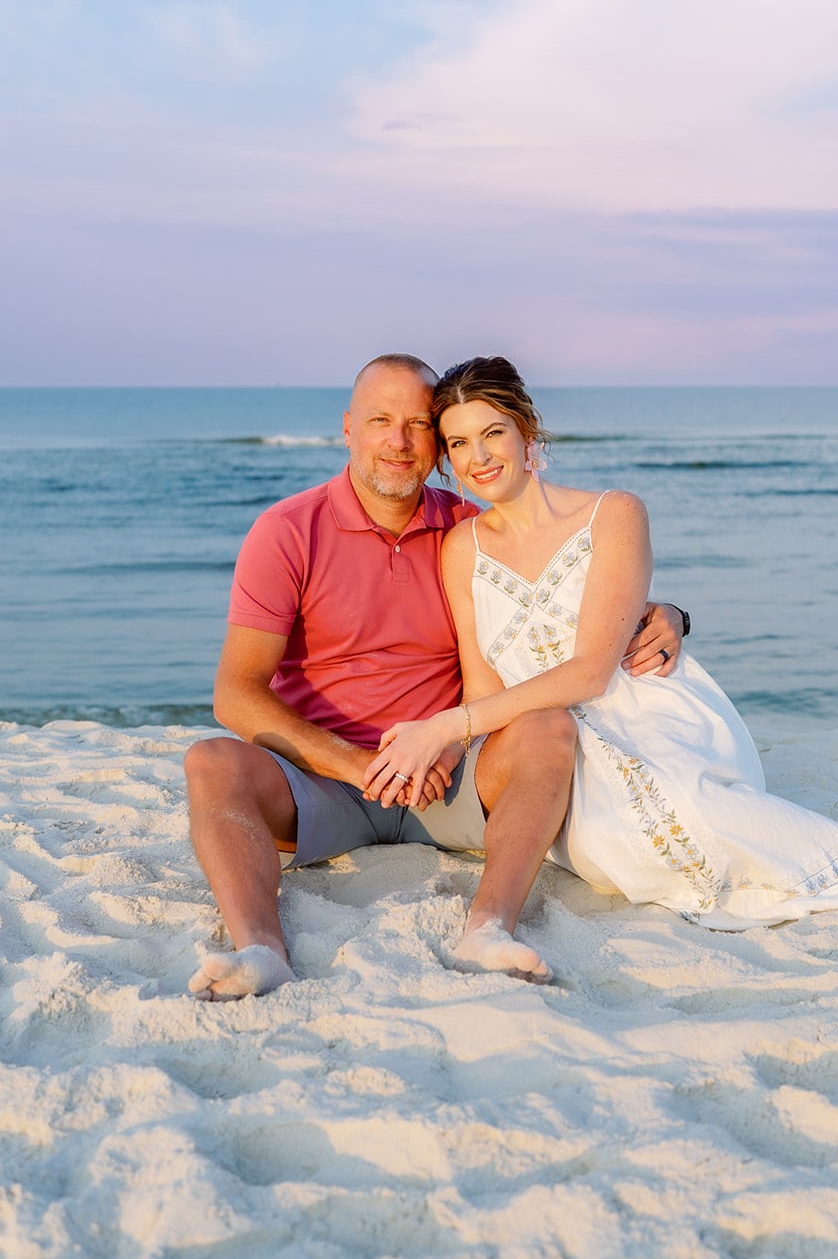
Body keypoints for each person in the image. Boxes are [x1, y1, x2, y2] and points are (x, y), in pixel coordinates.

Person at [366, 356, 838, 962]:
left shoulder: (614, 513)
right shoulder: (461, 548)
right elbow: (481, 685)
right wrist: (454, 744)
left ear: (529, 432)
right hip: (550, 739)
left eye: (493, 433)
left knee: (695, 805)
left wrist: (446, 726)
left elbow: (591, 670)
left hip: (648, 705)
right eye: (459, 443)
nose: (480, 457)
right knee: (611, 839)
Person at [183, 353, 685, 997]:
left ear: (438, 442)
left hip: (451, 781)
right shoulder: (285, 532)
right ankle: (261, 949)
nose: (397, 441)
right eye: (379, 420)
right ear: (347, 428)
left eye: (418, 424)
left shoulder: (470, 528)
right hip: (324, 784)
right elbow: (236, 692)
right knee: (212, 762)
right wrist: (358, 765)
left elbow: (575, 596)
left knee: (547, 729)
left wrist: (670, 613)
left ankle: (488, 928)